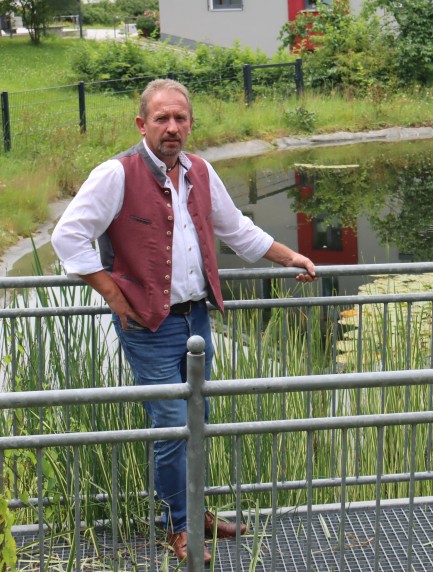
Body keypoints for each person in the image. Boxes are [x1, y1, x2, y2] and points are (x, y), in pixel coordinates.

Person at [51, 78, 317, 563]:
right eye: (161, 119)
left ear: (190, 124)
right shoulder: (117, 174)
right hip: (148, 326)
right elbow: (68, 236)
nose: (172, 128)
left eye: (180, 119)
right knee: (173, 425)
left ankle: (195, 512)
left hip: (197, 318)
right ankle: (178, 527)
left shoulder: (199, 171)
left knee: (198, 420)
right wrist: (110, 290)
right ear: (142, 124)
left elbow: (236, 229)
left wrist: (289, 256)